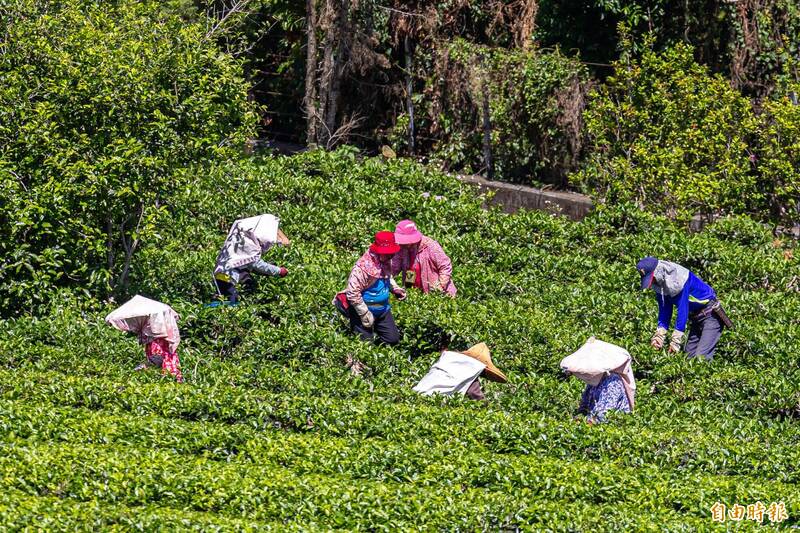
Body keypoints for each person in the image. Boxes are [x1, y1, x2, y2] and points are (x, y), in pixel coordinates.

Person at [636, 257, 732, 360]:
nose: (652, 282)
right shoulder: (660, 285)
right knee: (688, 357)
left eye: (652, 278)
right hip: (696, 318)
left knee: (702, 358)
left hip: (710, 315)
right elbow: (664, 311)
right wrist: (659, 335)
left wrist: (676, 341)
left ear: (658, 271)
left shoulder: (679, 279)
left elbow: (683, 309)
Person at [334, 231, 406, 348]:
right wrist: (364, 313)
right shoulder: (362, 268)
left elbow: (387, 277)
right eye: (387, 254)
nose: (390, 256)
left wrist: (395, 289)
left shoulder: (386, 261)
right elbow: (352, 292)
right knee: (365, 346)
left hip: (383, 310)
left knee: (392, 339)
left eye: (391, 254)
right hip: (364, 310)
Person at [213, 214, 289, 304]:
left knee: (248, 289)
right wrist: (279, 271)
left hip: (227, 275)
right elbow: (256, 264)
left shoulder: (242, 240)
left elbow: (251, 267)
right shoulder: (249, 245)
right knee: (232, 303)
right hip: (227, 277)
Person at [105, 295, 184, 382]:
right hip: (166, 376)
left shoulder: (158, 340)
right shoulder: (156, 340)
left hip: (167, 377)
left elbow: (158, 359)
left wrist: (142, 367)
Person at [560, 337, 636, 424]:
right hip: (592, 424)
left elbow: (604, 416)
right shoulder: (595, 379)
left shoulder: (613, 382)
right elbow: (584, 407)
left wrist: (583, 425)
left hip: (609, 430)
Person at [413, 342, 507, 400]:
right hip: (434, 402)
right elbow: (474, 394)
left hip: (415, 395)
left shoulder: (449, 361)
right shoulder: (470, 369)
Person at [392, 219, 456, 297]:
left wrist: (440, 286)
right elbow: (395, 268)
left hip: (439, 293)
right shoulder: (402, 248)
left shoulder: (430, 246)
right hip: (415, 290)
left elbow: (445, 266)